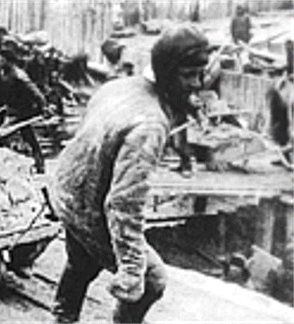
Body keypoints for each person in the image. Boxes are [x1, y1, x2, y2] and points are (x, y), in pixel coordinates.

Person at [50, 25, 210, 323]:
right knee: (153, 281)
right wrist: (132, 269)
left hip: (66, 189)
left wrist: (183, 107)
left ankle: (62, 317)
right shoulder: (150, 125)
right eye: (188, 75)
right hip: (91, 206)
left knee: (81, 263)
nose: (197, 84)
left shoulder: (119, 86)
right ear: (166, 72)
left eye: (200, 74)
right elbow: (124, 204)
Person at [0, 47, 53, 174]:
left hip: (21, 111)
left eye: (1, 59)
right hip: (12, 108)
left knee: (0, 136)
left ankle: (4, 163)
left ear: (7, 60)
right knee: (28, 136)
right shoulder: (5, 72)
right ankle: (39, 164)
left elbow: (35, 91)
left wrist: (44, 106)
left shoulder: (19, 75)